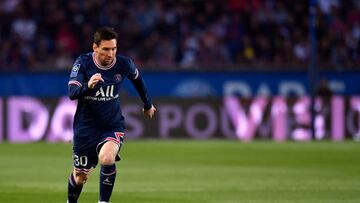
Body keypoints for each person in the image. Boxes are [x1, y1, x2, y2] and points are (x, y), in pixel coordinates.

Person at [66, 26, 156, 203]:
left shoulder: (124, 64)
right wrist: (88, 86)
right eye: (106, 49)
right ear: (95, 47)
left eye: (114, 49)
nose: (110, 53)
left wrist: (147, 104)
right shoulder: (83, 63)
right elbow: (72, 92)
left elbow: (138, 81)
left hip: (112, 125)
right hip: (86, 128)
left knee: (107, 158)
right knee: (80, 177)